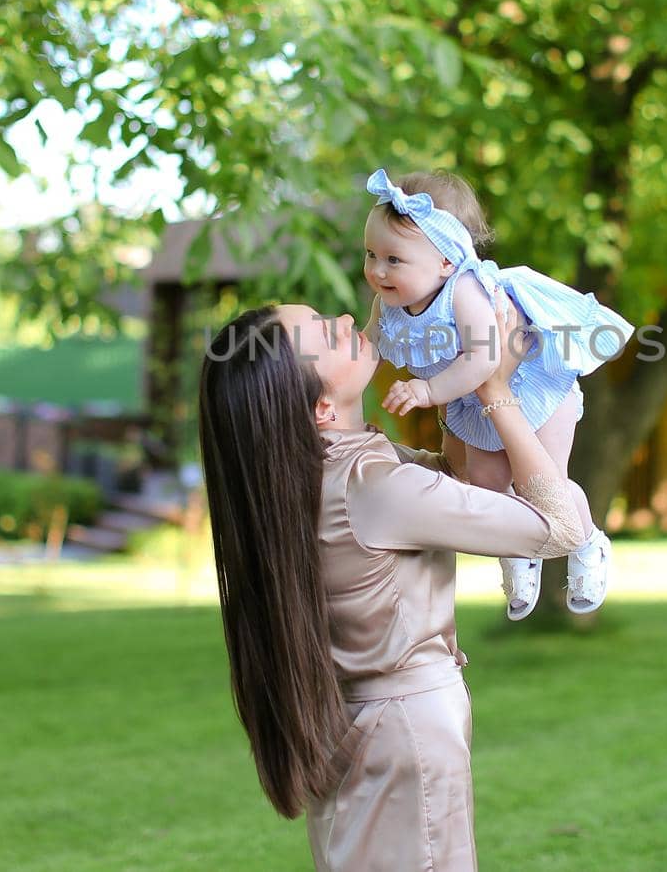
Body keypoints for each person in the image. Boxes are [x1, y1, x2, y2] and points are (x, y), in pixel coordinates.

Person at [198, 301, 587, 871]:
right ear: (321, 407)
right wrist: (495, 388)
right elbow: (558, 527)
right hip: (403, 733)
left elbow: (456, 480)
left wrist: (458, 370)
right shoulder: (371, 489)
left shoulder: (311, 477)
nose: (343, 322)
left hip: (367, 726)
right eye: (325, 335)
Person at [361, 168, 631, 619]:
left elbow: (485, 361)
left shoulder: (465, 293)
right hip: (472, 401)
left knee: (545, 483)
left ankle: (587, 543)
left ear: (446, 262)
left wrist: (427, 389)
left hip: (535, 390)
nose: (377, 270)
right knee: (486, 482)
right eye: (371, 255)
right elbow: (371, 343)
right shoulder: (388, 303)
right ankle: (520, 546)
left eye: (394, 260)